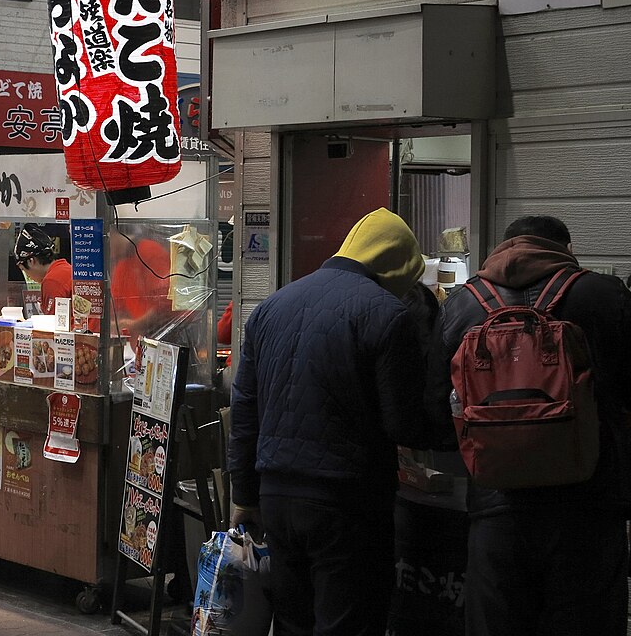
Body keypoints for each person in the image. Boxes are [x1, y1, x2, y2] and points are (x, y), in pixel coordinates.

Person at [227, 208, 447, 635]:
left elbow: (245, 412)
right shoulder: (387, 314)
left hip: (276, 498)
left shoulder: (272, 306)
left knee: (292, 623)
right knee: (348, 624)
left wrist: (244, 495)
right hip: (347, 503)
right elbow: (404, 425)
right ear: (397, 266)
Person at [440, 216, 631, 636]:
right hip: (587, 505)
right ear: (565, 247)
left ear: (503, 247)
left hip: (494, 506)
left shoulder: (463, 303)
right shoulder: (603, 295)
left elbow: (438, 402)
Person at [109, 226, 173, 338]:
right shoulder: (120, 265)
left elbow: (165, 303)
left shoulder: (149, 251)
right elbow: (117, 307)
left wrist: (136, 324)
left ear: (112, 234)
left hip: (166, 336)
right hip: (140, 342)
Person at [14, 223, 72, 315]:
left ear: (31, 261)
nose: (27, 275)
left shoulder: (52, 280)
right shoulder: (66, 268)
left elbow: (52, 323)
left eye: (23, 269)